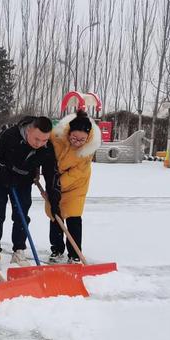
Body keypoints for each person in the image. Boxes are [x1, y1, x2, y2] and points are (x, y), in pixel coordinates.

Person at [0, 116, 61, 266]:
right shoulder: (9, 134)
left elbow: (51, 174)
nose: (39, 144)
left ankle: (19, 250)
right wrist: (2, 173)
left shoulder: (47, 148)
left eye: (44, 140)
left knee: (21, 215)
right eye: (36, 139)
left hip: (23, 181)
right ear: (28, 131)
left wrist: (54, 199)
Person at [47, 110, 101, 263]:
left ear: (88, 137)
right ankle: (57, 250)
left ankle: (75, 253)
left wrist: (56, 186)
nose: (77, 142)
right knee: (55, 216)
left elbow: (76, 173)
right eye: (74, 138)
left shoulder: (88, 148)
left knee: (73, 218)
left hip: (77, 185)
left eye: (81, 139)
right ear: (69, 132)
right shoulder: (56, 136)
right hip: (54, 182)